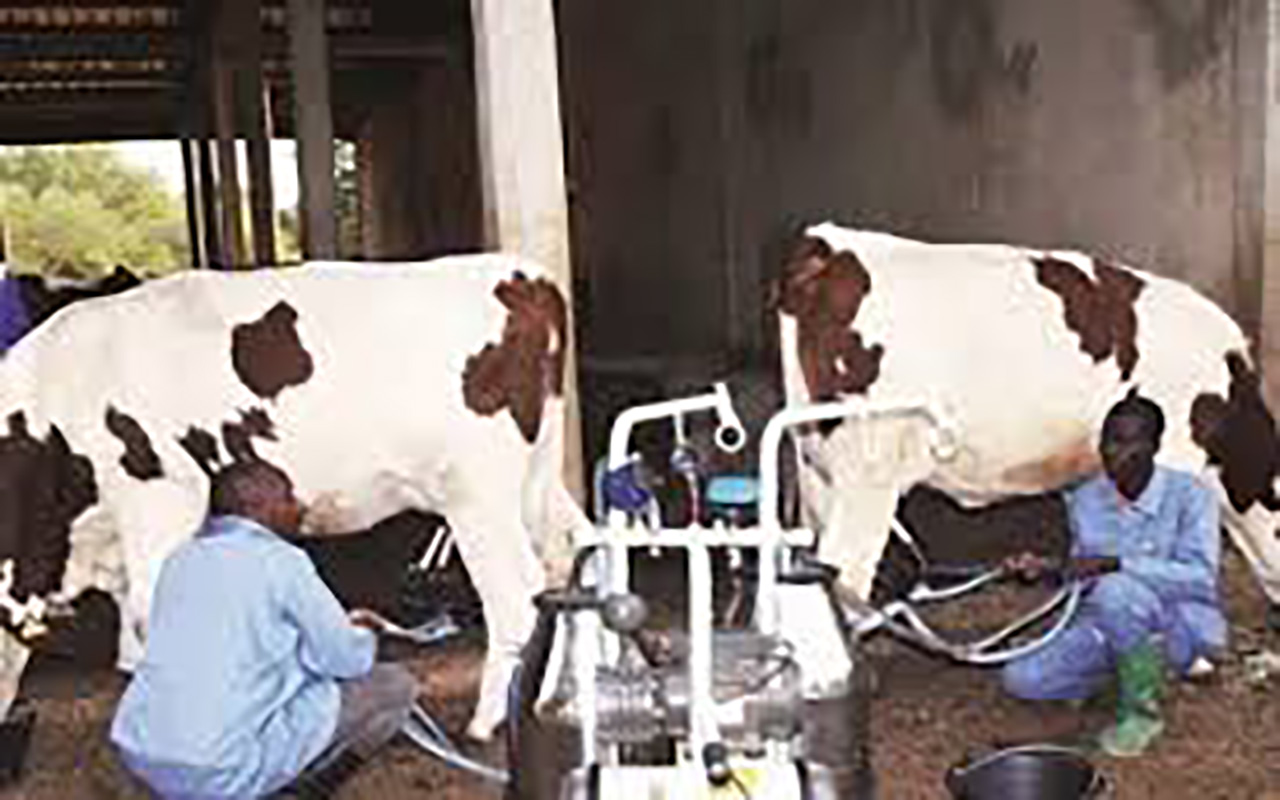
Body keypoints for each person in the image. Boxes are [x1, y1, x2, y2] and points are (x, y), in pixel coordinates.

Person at [110, 459, 419, 798]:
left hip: (143, 751)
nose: (299, 507)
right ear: (257, 506)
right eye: (288, 497)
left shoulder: (180, 559)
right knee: (393, 686)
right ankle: (295, 793)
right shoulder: (283, 560)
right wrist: (366, 633)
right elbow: (345, 661)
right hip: (218, 767)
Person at [999, 390, 1227, 758]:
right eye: (1107, 440)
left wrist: (1116, 564)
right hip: (1108, 623)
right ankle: (1127, 675)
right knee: (1023, 679)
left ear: (1154, 447)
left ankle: (1142, 715)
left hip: (1180, 627)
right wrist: (1047, 569)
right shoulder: (1086, 499)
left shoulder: (1191, 496)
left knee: (1117, 590)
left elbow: (1200, 578)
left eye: (1126, 441)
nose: (1111, 451)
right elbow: (1083, 575)